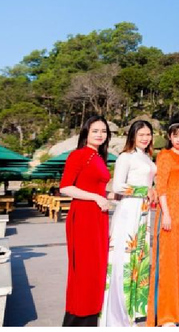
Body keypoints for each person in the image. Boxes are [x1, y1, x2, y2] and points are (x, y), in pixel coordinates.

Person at [100, 120, 156, 327]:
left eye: (148, 134)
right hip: (128, 210)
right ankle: (117, 313)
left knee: (138, 260)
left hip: (142, 212)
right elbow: (117, 186)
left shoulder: (145, 156)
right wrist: (144, 191)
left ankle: (131, 311)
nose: (145, 137)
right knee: (123, 258)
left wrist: (152, 192)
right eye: (141, 134)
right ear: (132, 135)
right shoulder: (125, 156)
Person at [60, 115, 112, 326]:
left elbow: (98, 187)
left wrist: (111, 197)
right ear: (86, 133)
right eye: (95, 131)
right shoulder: (79, 155)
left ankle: (90, 320)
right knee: (84, 270)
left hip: (98, 217)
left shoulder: (99, 157)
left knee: (96, 270)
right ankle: (75, 322)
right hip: (83, 217)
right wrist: (95, 197)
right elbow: (65, 187)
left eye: (104, 131)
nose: (100, 135)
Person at [147, 118, 179, 327]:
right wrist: (165, 213)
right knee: (167, 261)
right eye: (175, 135)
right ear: (169, 137)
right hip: (169, 211)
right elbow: (161, 187)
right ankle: (166, 313)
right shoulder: (164, 156)